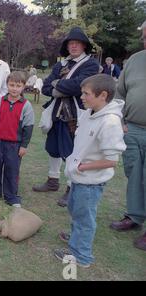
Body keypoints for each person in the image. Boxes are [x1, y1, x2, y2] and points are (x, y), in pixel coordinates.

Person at [54, 74, 126, 267]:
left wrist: (82, 167)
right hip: (79, 177)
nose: (82, 97)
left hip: (90, 181)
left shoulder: (109, 122)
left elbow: (111, 161)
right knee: (76, 210)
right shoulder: (89, 112)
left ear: (103, 95)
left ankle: (81, 256)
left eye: (86, 94)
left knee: (85, 218)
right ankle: (76, 237)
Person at [32, 27, 100, 207]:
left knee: (72, 152)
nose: (74, 46)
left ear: (84, 46)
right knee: (52, 148)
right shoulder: (60, 65)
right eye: (71, 43)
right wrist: (61, 87)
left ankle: (71, 187)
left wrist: (59, 85)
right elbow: (46, 87)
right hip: (57, 113)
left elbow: (80, 86)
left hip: (75, 115)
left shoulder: (91, 65)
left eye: (77, 43)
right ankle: (53, 180)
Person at [109, 21, 146, 251]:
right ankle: (134, 216)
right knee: (133, 174)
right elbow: (119, 93)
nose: (144, 40)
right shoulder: (134, 60)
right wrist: (119, 120)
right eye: (143, 35)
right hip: (131, 129)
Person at [0, 71, 35, 207]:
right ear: (7, 85)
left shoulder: (26, 106)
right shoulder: (0, 101)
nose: (14, 88)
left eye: (18, 86)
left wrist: (24, 146)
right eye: (12, 85)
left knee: (12, 171)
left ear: (23, 87)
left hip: (14, 145)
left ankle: (11, 197)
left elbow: (28, 127)